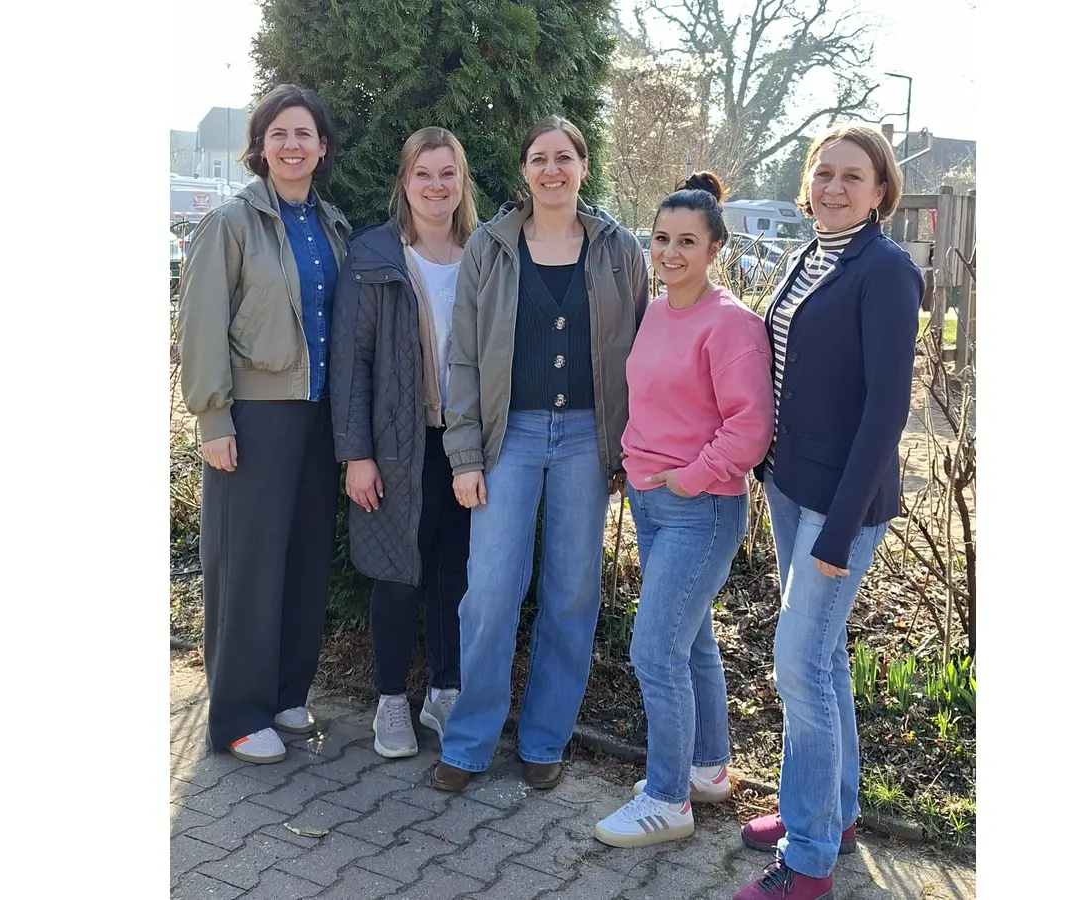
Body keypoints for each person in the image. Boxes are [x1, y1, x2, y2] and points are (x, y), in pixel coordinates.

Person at [429, 117, 649, 793]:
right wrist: (464, 456)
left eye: (565, 158)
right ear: (524, 171)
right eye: (539, 158)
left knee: (572, 592)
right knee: (490, 591)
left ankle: (544, 738)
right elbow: (461, 358)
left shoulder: (618, 252)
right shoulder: (492, 250)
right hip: (508, 438)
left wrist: (629, 448)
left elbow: (643, 354)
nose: (551, 169)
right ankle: (468, 742)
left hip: (588, 437)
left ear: (584, 167)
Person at [732, 124, 923, 900]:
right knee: (823, 658)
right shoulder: (811, 255)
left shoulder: (887, 270)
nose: (835, 188)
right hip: (790, 484)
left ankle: (809, 862)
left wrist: (841, 530)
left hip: (842, 502)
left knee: (797, 666)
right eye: (825, 174)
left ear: (881, 192)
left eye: (854, 177)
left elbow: (887, 410)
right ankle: (833, 813)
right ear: (808, 182)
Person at [592, 173, 774, 848]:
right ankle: (706, 769)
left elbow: (749, 428)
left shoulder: (732, 325)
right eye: (662, 239)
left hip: (701, 508)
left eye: (687, 242)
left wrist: (692, 480)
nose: (670, 252)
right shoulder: (656, 311)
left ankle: (667, 801)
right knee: (690, 640)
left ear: (716, 248)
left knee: (655, 649)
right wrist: (633, 467)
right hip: (652, 498)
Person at [175, 84, 352, 765]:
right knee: (247, 565)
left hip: (317, 415)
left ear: (322, 147)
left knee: (304, 557)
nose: (292, 145)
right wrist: (213, 416)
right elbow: (201, 326)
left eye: (304, 133)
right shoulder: (231, 223)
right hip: (254, 416)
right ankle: (239, 715)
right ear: (261, 145)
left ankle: (284, 693)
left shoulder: (331, 225)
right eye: (279, 133)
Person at [328, 127, 480, 759]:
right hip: (396, 443)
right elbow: (351, 363)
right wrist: (356, 454)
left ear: (462, 182)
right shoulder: (375, 255)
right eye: (424, 174)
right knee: (397, 574)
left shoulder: (484, 254)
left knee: (454, 574)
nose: (436, 186)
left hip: (467, 444)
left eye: (448, 173)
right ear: (405, 182)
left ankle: (444, 692)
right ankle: (391, 700)